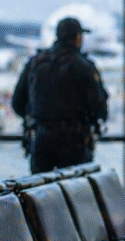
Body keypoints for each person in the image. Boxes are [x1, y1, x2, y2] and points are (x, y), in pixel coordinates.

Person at [11, 17, 109, 174]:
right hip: (75, 144)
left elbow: (17, 103)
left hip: (42, 142)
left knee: (41, 193)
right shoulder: (84, 66)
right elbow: (100, 108)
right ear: (78, 38)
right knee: (75, 191)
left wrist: (38, 119)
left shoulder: (36, 63)